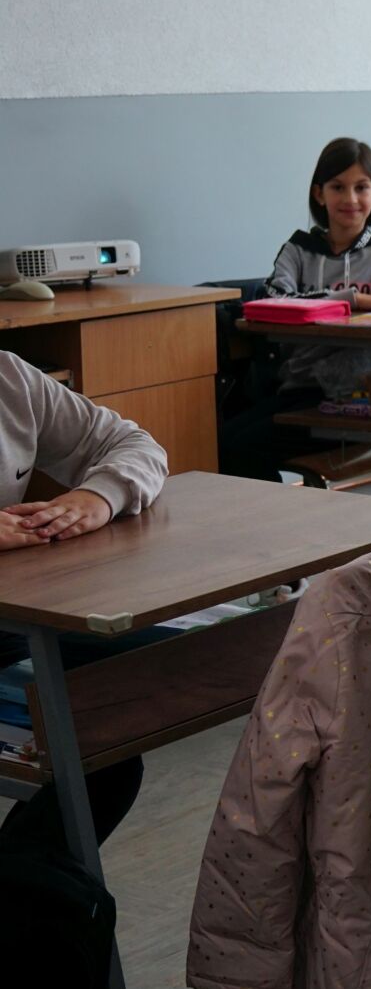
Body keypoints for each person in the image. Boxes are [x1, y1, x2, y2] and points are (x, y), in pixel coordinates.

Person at [0, 352, 168, 853]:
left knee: (107, 738)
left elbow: (133, 443)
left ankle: (28, 907)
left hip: (19, 614)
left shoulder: (9, 376)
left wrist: (99, 495)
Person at [220, 137, 371, 480]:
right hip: (302, 393)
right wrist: (353, 299)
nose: (350, 199)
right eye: (338, 187)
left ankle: (279, 523)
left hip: (362, 398)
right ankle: (275, 521)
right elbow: (273, 301)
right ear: (320, 194)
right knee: (223, 440)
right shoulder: (298, 250)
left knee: (239, 445)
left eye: (361, 187)